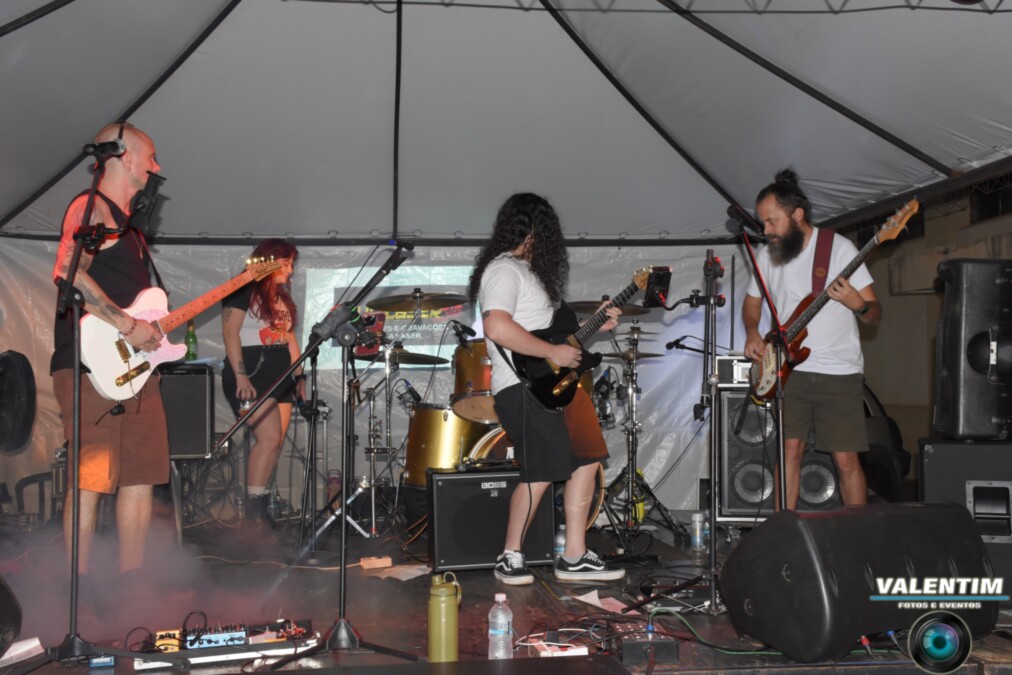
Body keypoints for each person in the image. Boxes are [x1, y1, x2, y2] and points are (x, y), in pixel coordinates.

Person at [467, 192, 625, 585]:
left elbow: (552, 335)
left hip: (559, 386)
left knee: (588, 458)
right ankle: (509, 556)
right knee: (540, 471)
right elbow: (497, 327)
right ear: (536, 230)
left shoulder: (532, 275)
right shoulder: (503, 270)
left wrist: (593, 325)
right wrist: (553, 351)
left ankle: (574, 555)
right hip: (523, 387)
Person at [51, 121, 166, 577]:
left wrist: (146, 334)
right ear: (126, 158)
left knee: (140, 477)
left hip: (135, 368)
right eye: (151, 157)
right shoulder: (91, 206)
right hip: (88, 365)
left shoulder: (133, 232)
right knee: (90, 479)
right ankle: (77, 592)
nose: (157, 166)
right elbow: (68, 271)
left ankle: (129, 589)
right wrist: (127, 325)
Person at [742, 168, 880, 510]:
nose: (766, 230)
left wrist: (858, 304)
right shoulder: (767, 255)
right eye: (763, 222)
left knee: (845, 458)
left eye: (772, 221)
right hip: (790, 371)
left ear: (798, 215)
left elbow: (874, 314)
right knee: (789, 451)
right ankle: (784, 532)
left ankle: (857, 532)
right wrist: (752, 331)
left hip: (839, 371)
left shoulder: (838, 249)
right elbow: (752, 302)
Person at [221, 238, 304, 528]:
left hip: (280, 372)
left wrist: (299, 376)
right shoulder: (243, 288)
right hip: (252, 370)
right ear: (268, 261)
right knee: (268, 438)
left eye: (292, 264)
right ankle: (253, 513)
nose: (290, 270)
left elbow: (289, 338)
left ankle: (260, 504)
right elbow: (230, 332)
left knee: (274, 443)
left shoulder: (281, 298)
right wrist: (241, 375)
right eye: (286, 263)